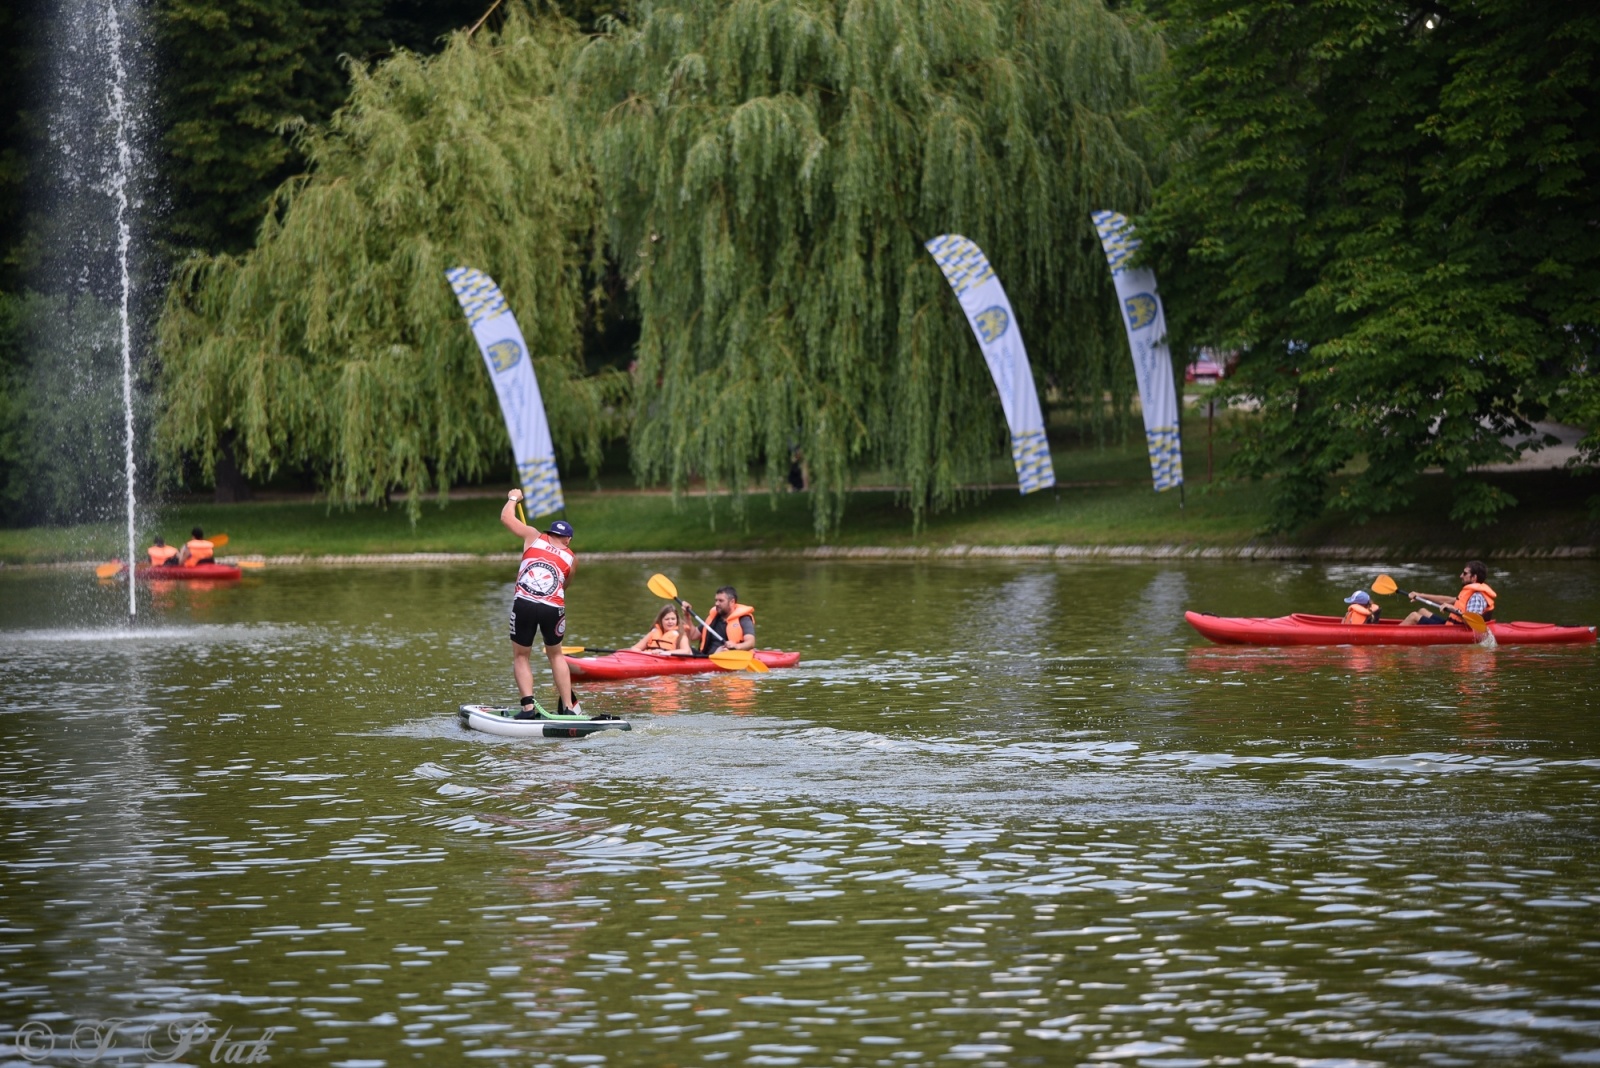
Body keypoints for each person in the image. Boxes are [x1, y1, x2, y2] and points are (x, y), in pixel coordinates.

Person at [502, 490, 582, 718]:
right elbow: (564, 585)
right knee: (556, 655)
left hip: (525, 604)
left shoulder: (533, 535)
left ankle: (528, 708)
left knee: (521, 656)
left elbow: (506, 518)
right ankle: (568, 708)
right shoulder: (572, 558)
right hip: (553, 607)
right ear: (567, 540)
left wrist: (513, 498)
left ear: (549, 533)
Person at [1400, 560, 1497, 626]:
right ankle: (1413, 639)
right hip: (1452, 625)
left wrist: (1454, 609)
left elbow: (1473, 621)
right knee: (1422, 611)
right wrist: (1421, 595)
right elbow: (1448, 600)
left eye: (1465, 573)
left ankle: (1389, 636)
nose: (1461, 576)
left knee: (1414, 616)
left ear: (1474, 577)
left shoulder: (1477, 596)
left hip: (1459, 630)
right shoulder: (1470, 593)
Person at [683, 586, 756, 654]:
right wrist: (687, 615)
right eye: (716, 600)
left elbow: (750, 642)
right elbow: (693, 635)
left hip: (728, 658)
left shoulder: (743, 619)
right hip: (706, 658)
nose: (716, 603)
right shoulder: (713, 617)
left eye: (721, 601)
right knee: (685, 648)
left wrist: (736, 646)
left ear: (732, 602)